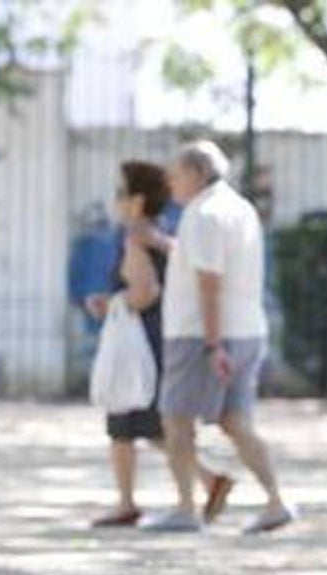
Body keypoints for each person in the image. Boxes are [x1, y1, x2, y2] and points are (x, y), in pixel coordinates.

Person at [142, 140, 293, 534]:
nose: (170, 184)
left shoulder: (202, 214)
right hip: (246, 328)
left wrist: (212, 344)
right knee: (236, 420)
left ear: (194, 173)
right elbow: (205, 262)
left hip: (200, 333)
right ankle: (276, 500)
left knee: (175, 419)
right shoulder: (239, 208)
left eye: (174, 175)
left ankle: (186, 508)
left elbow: (209, 281)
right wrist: (165, 244)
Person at [86, 160, 232, 528]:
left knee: (123, 421)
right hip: (158, 337)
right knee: (152, 425)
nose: (116, 202)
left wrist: (112, 304)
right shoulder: (163, 235)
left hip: (140, 341)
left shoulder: (136, 235)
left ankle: (126, 502)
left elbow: (145, 292)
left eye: (120, 194)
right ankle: (208, 479)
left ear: (136, 200)